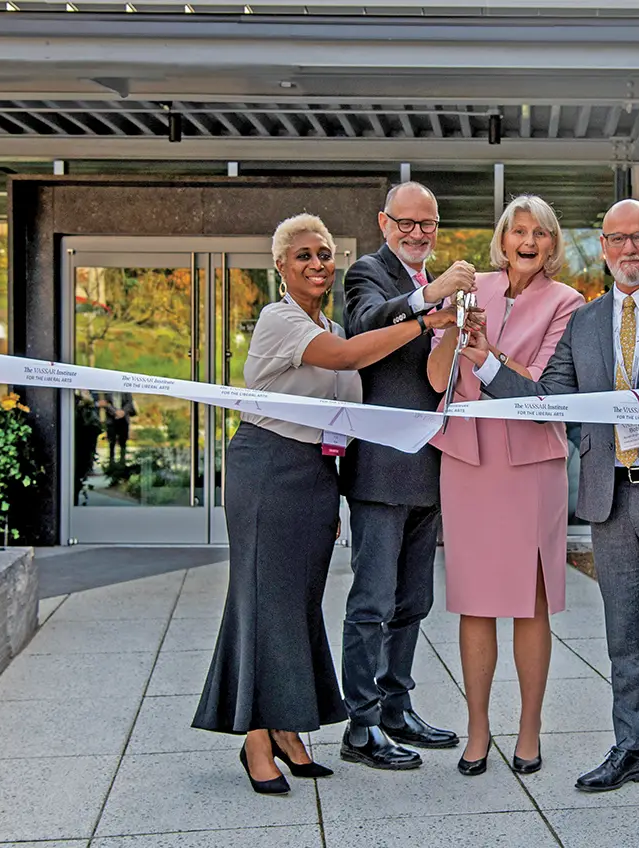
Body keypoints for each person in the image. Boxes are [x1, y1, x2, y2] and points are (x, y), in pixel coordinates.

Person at [458, 199, 639, 814]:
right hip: (609, 497)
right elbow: (547, 400)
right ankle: (631, 749)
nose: (628, 251)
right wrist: (484, 360)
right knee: (622, 637)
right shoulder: (585, 324)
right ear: (605, 248)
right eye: (616, 240)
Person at [192, 212, 462, 795]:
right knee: (263, 602)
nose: (317, 264)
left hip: (315, 473)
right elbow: (346, 360)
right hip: (267, 467)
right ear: (281, 266)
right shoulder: (280, 319)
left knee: (298, 604)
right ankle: (256, 740)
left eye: (324, 255)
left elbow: (352, 392)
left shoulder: (330, 322)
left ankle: (290, 732)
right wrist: (422, 321)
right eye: (304, 256)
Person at [426, 195, 585, 777]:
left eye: (540, 232)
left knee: (530, 602)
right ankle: (476, 729)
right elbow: (435, 377)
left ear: (552, 243)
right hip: (467, 461)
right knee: (474, 601)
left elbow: (544, 388)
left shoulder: (568, 303)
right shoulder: (473, 287)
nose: (528, 240)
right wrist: (449, 328)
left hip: (530, 465)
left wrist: (486, 354)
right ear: (502, 236)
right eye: (518, 230)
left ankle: (529, 729)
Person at [339, 181, 477, 770]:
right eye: (407, 223)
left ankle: (396, 709)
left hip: (430, 464)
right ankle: (361, 726)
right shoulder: (367, 273)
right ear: (384, 221)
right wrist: (433, 299)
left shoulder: (429, 284)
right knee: (371, 600)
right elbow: (367, 324)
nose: (418, 233)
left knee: (412, 599)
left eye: (428, 225)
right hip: (380, 468)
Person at [95, 391, 137, 465]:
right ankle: (111, 462)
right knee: (111, 441)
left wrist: (123, 412)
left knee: (123, 441)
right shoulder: (107, 390)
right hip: (111, 419)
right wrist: (116, 412)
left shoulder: (126, 391)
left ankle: (122, 461)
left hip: (124, 419)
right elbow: (106, 403)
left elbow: (129, 403)